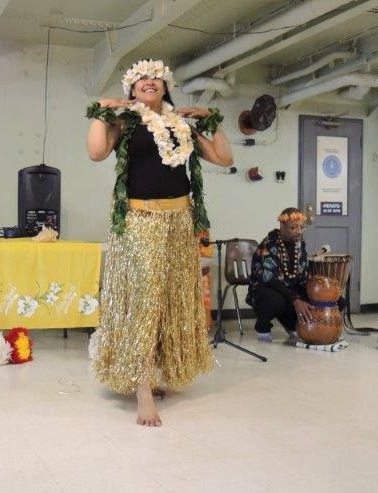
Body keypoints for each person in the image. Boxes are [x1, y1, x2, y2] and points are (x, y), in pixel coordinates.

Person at [86, 59, 233, 427]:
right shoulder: (127, 122)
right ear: (131, 91)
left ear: (165, 87)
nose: (148, 82)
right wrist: (101, 115)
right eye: (140, 80)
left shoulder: (179, 125)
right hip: (139, 220)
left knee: (170, 296)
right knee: (146, 295)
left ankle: (157, 371)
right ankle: (142, 387)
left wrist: (212, 118)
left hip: (180, 220)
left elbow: (223, 156)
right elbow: (96, 152)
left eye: (155, 78)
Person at [246, 207, 313, 342]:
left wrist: (313, 293)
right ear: (282, 225)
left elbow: (302, 275)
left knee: (323, 299)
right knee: (274, 299)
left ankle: (291, 322)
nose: (299, 232)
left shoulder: (300, 243)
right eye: (294, 228)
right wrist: (296, 300)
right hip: (267, 290)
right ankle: (262, 327)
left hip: (290, 291)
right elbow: (269, 280)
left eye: (301, 227)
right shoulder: (269, 244)